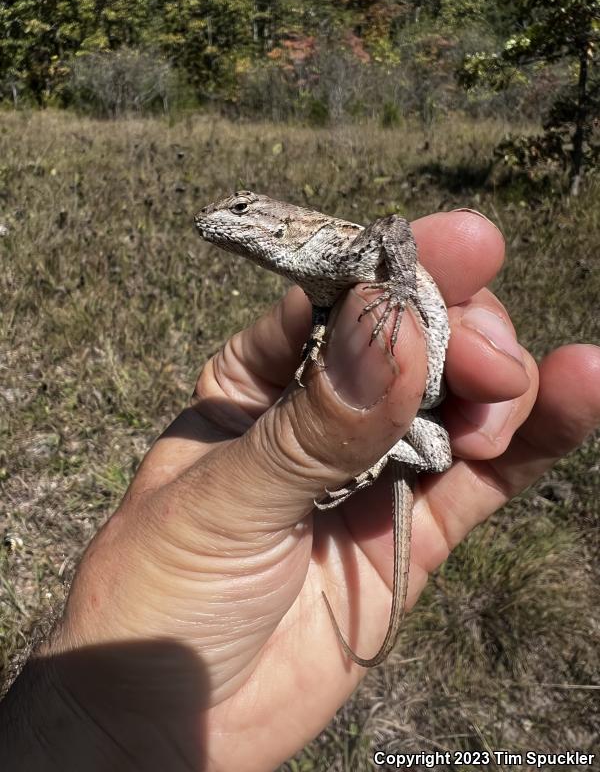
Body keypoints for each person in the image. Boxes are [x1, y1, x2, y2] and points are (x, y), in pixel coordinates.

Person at [1, 210, 599, 771]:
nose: (220, 220)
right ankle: (374, 459)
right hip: (415, 407)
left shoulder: (329, 243)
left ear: (274, 220)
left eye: (237, 210)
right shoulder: (318, 286)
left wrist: (392, 294)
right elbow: (326, 309)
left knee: (442, 448)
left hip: (427, 383)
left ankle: (373, 457)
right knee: (435, 446)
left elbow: (392, 225)